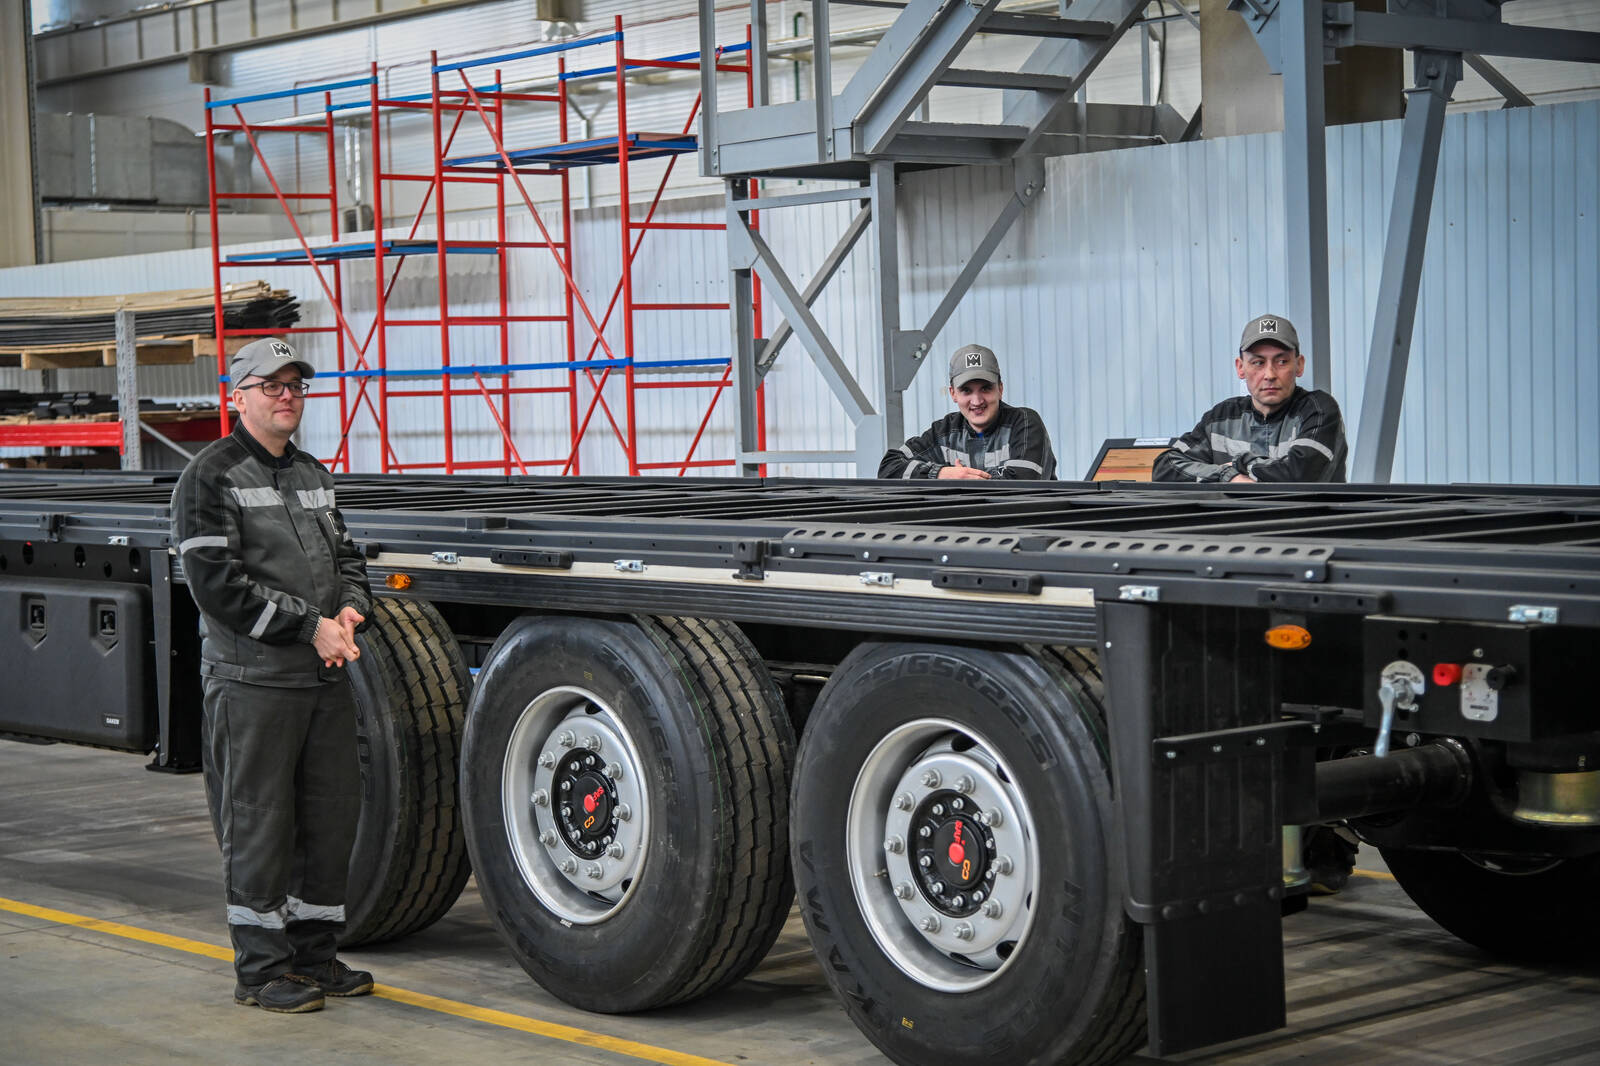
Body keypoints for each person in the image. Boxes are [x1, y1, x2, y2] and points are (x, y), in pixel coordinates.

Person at [170, 338, 375, 1014]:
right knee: (259, 824)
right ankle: (260, 971)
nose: (287, 395)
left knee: (328, 821)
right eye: (272, 385)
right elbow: (217, 588)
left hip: (321, 681)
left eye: (296, 384)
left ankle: (316, 959)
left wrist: (349, 609)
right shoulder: (210, 477)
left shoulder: (313, 472)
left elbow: (347, 556)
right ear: (239, 395)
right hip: (254, 683)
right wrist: (307, 626)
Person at [1152, 313, 1348, 483]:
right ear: (1240, 367)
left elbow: (1301, 472)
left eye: (1281, 361)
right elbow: (1165, 467)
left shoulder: (1318, 411)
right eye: (1258, 362)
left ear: (1299, 365)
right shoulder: (1220, 419)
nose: (1269, 374)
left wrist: (1241, 464)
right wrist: (1226, 475)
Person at [878, 343, 1056, 480]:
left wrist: (962, 480)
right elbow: (888, 468)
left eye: (985, 389)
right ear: (953, 393)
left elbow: (1024, 480)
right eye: (966, 391)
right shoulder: (944, 432)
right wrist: (941, 474)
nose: (977, 401)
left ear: (1000, 389)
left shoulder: (1025, 423)